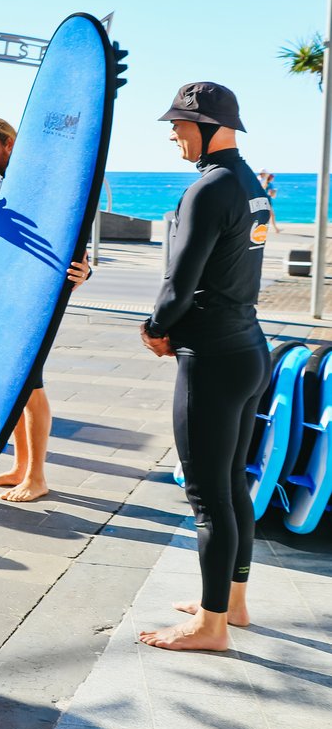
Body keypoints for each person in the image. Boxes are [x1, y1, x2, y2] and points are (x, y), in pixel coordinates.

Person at [138, 82, 272, 653]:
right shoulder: (251, 186)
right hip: (249, 349)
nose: (173, 134)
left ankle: (210, 625)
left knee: (206, 496)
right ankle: (231, 602)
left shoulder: (207, 188)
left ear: (209, 125)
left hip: (212, 361)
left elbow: (179, 283)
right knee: (232, 484)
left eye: (180, 124)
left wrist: (156, 328)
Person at [0, 116, 91, 502]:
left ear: (9, 145)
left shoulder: (38, 184)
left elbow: (67, 222)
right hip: (3, 302)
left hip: (33, 301)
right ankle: (19, 468)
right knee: (16, 387)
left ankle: (37, 476)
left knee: (31, 386)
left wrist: (84, 266)